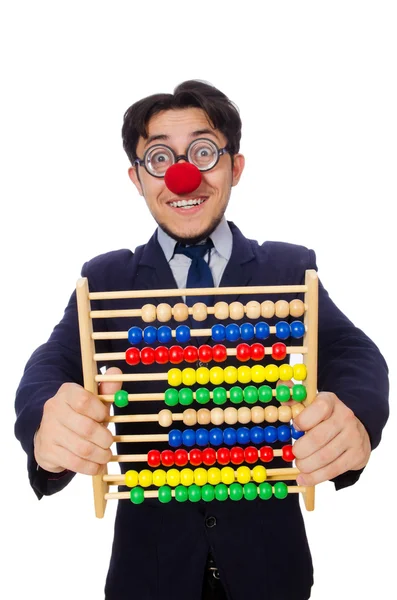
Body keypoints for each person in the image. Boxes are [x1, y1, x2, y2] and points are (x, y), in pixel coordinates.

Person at [14, 80, 389, 600]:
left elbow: (352, 352)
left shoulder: (286, 268)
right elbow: (51, 365)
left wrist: (355, 416)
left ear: (234, 167)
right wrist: (45, 421)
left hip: (270, 570)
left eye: (203, 152)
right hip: (150, 574)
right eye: (160, 158)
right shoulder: (106, 281)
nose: (183, 175)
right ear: (137, 179)